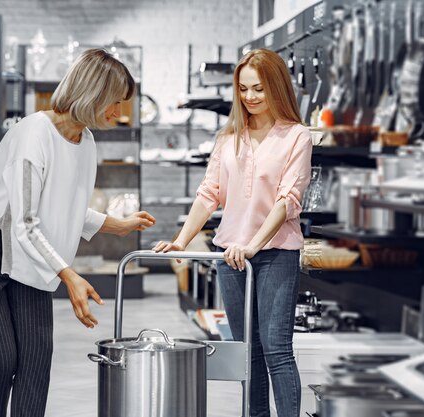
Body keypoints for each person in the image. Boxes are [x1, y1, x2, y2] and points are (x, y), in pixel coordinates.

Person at [0, 48, 156, 417]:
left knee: (35, 360)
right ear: (93, 93)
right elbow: (25, 222)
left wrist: (116, 223)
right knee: (1, 359)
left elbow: (64, 204)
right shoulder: (33, 135)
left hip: (28, 255)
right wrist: (68, 274)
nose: (118, 113)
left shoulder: (85, 140)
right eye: (115, 102)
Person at [153, 48, 312, 417]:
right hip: (230, 257)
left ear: (276, 87)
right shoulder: (229, 139)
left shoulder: (297, 136)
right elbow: (209, 194)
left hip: (275, 254)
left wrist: (253, 245)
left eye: (258, 88)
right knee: (247, 351)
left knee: (276, 348)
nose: (250, 97)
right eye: (243, 89)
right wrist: (181, 239)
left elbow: (288, 200)